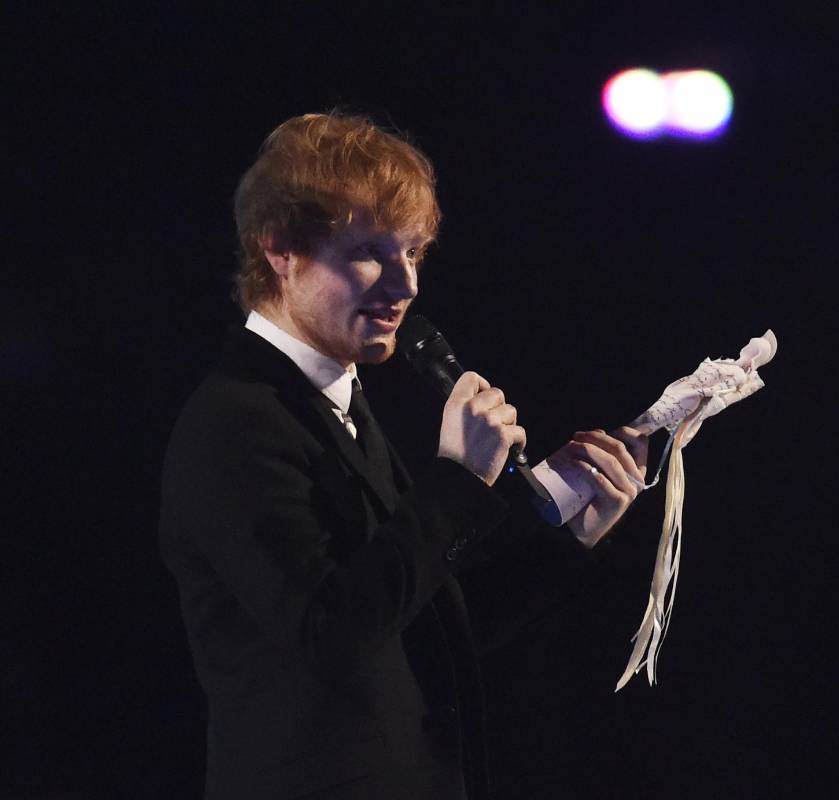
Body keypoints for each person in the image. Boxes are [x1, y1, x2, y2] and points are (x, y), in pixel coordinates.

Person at [160, 112, 647, 800]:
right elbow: (330, 635)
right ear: (280, 251)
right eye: (370, 253)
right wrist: (453, 482)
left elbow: (417, 632)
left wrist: (565, 536)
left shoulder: (337, 405)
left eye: (413, 253)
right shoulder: (236, 422)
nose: (406, 282)